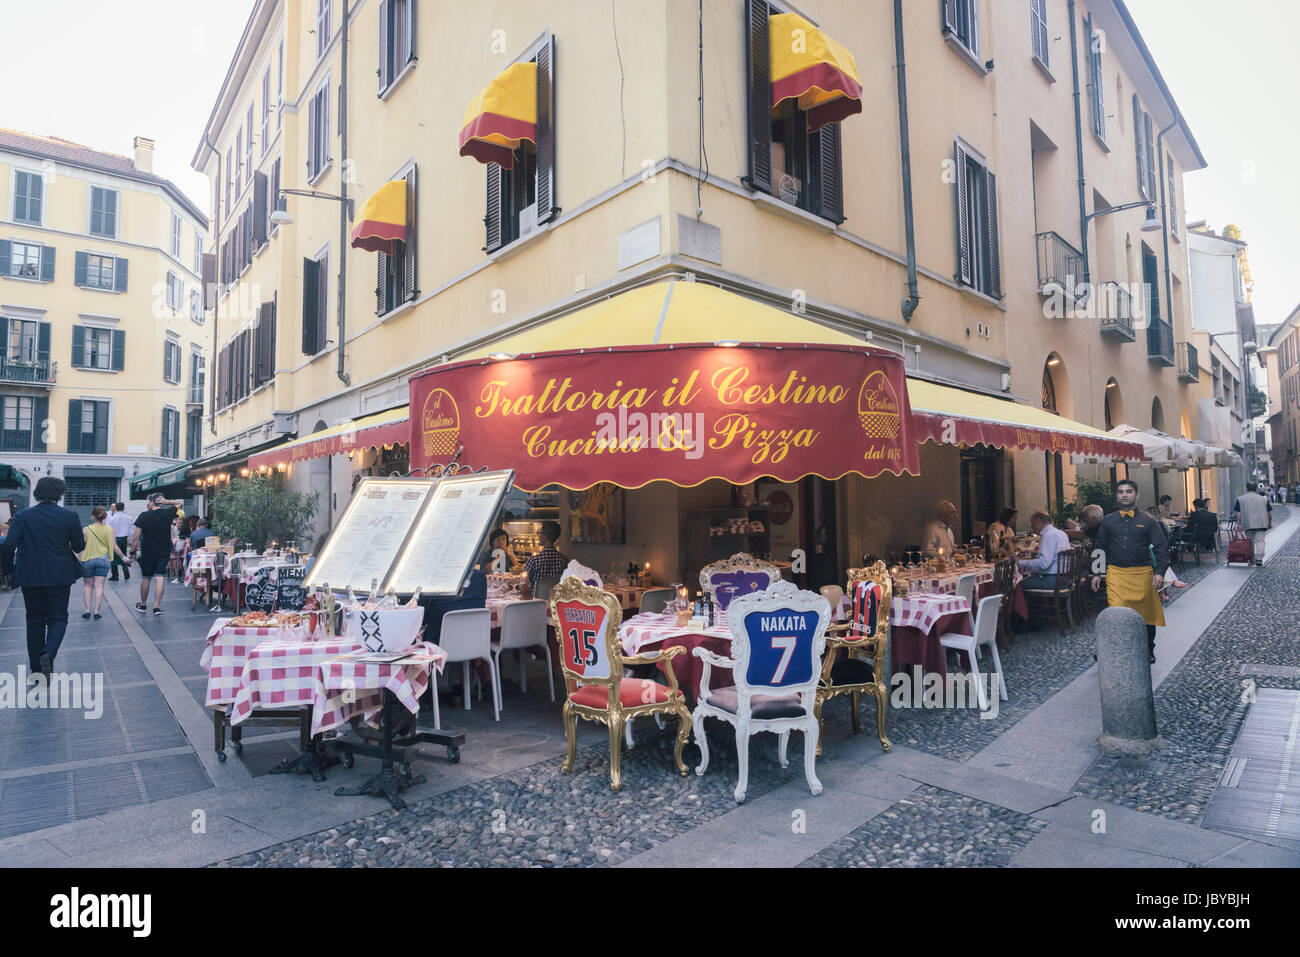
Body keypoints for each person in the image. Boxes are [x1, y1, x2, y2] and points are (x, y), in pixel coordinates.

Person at [0, 477, 86, 683]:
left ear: (37, 492)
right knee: (58, 618)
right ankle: (49, 652)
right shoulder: (70, 516)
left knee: (34, 622)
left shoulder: (23, 516)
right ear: (60, 493)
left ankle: (36, 671)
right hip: (60, 576)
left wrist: (9, 570)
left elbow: (7, 545)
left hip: (30, 577)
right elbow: (78, 546)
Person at [1090, 480, 1168, 663]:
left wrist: (1159, 572)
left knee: (1147, 615)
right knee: (1115, 614)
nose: (1125, 494)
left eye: (1129, 491)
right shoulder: (1108, 521)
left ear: (1137, 495)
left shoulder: (1149, 521)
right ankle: (1110, 650)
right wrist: (1096, 573)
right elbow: (1099, 547)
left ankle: (1149, 649)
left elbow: (1161, 547)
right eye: (1121, 491)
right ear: (1117, 496)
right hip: (1116, 575)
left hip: (1142, 575)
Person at [130, 493, 183, 614]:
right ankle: (156, 607)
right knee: (160, 577)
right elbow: (179, 504)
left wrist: (132, 551)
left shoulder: (144, 515)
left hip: (148, 550)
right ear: (162, 502)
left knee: (146, 577)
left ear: (152, 502)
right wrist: (167, 501)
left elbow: (135, 536)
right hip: (163, 549)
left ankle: (143, 605)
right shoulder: (168, 513)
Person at [80, 506, 128, 620]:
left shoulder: (86, 529)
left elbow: (81, 547)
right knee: (99, 586)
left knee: (87, 586)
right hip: (103, 560)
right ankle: (96, 612)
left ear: (93, 516)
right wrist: (124, 558)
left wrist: (78, 558)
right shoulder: (110, 529)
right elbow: (114, 546)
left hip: (88, 559)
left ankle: (87, 611)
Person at [1016, 510, 1070, 589]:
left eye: (1032, 523)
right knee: (1027, 578)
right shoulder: (1060, 533)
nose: (1031, 526)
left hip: (1053, 580)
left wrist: (1019, 562)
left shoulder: (1048, 535)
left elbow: (1044, 563)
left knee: (1017, 585)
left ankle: (1031, 601)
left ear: (1038, 521)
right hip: (1065, 578)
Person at [524, 520, 568, 598]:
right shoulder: (564, 560)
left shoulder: (534, 561)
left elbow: (524, 584)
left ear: (546, 535)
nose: (539, 536)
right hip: (556, 604)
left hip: (536, 604)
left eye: (540, 533)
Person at [1233, 483, 1272, 567]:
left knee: (1250, 541)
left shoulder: (1240, 499)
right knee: (1260, 541)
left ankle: (1251, 559)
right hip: (1261, 523)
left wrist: (1238, 524)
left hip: (1248, 523)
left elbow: (1238, 513)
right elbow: (1269, 512)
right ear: (1256, 489)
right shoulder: (1263, 499)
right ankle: (1259, 559)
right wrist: (1270, 522)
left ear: (1246, 489)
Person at [106, 502, 133, 581]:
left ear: (116, 508)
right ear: (124, 508)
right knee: (123, 554)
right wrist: (130, 540)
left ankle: (115, 575)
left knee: (113, 557)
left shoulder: (111, 519)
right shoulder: (129, 518)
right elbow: (131, 531)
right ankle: (125, 568)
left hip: (114, 539)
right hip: (124, 539)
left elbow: (108, 530)